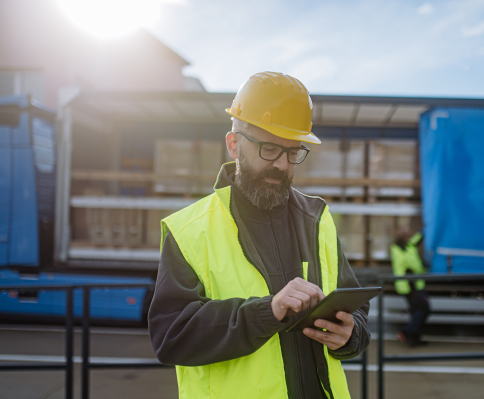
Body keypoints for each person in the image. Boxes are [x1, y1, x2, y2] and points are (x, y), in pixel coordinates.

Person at [148, 71, 370, 399]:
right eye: (269, 148)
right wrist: (268, 311)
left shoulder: (317, 219)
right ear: (234, 144)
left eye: (293, 152)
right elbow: (172, 338)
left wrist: (350, 336)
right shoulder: (190, 231)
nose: (282, 164)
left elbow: (357, 310)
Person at [390, 229, 430, 347]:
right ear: (404, 238)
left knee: (415, 311)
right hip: (411, 286)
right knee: (423, 309)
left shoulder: (402, 246)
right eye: (408, 235)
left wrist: (425, 230)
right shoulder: (404, 249)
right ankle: (406, 332)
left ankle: (414, 339)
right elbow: (413, 264)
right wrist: (423, 266)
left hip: (409, 285)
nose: (410, 236)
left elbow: (416, 239)